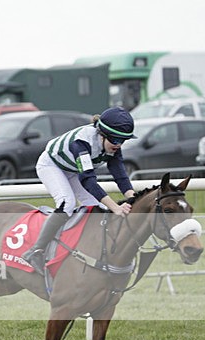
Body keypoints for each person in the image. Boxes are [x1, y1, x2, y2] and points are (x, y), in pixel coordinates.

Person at [22, 107, 137, 274]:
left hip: (72, 170)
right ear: (102, 134)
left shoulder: (112, 145)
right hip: (51, 165)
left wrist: (132, 198)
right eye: (115, 140)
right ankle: (35, 251)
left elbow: (119, 174)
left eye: (123, 141)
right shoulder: (82, 142)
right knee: (67, 203)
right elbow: (88, 180)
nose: (118, 145)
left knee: (97, 207)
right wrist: (116, 207)